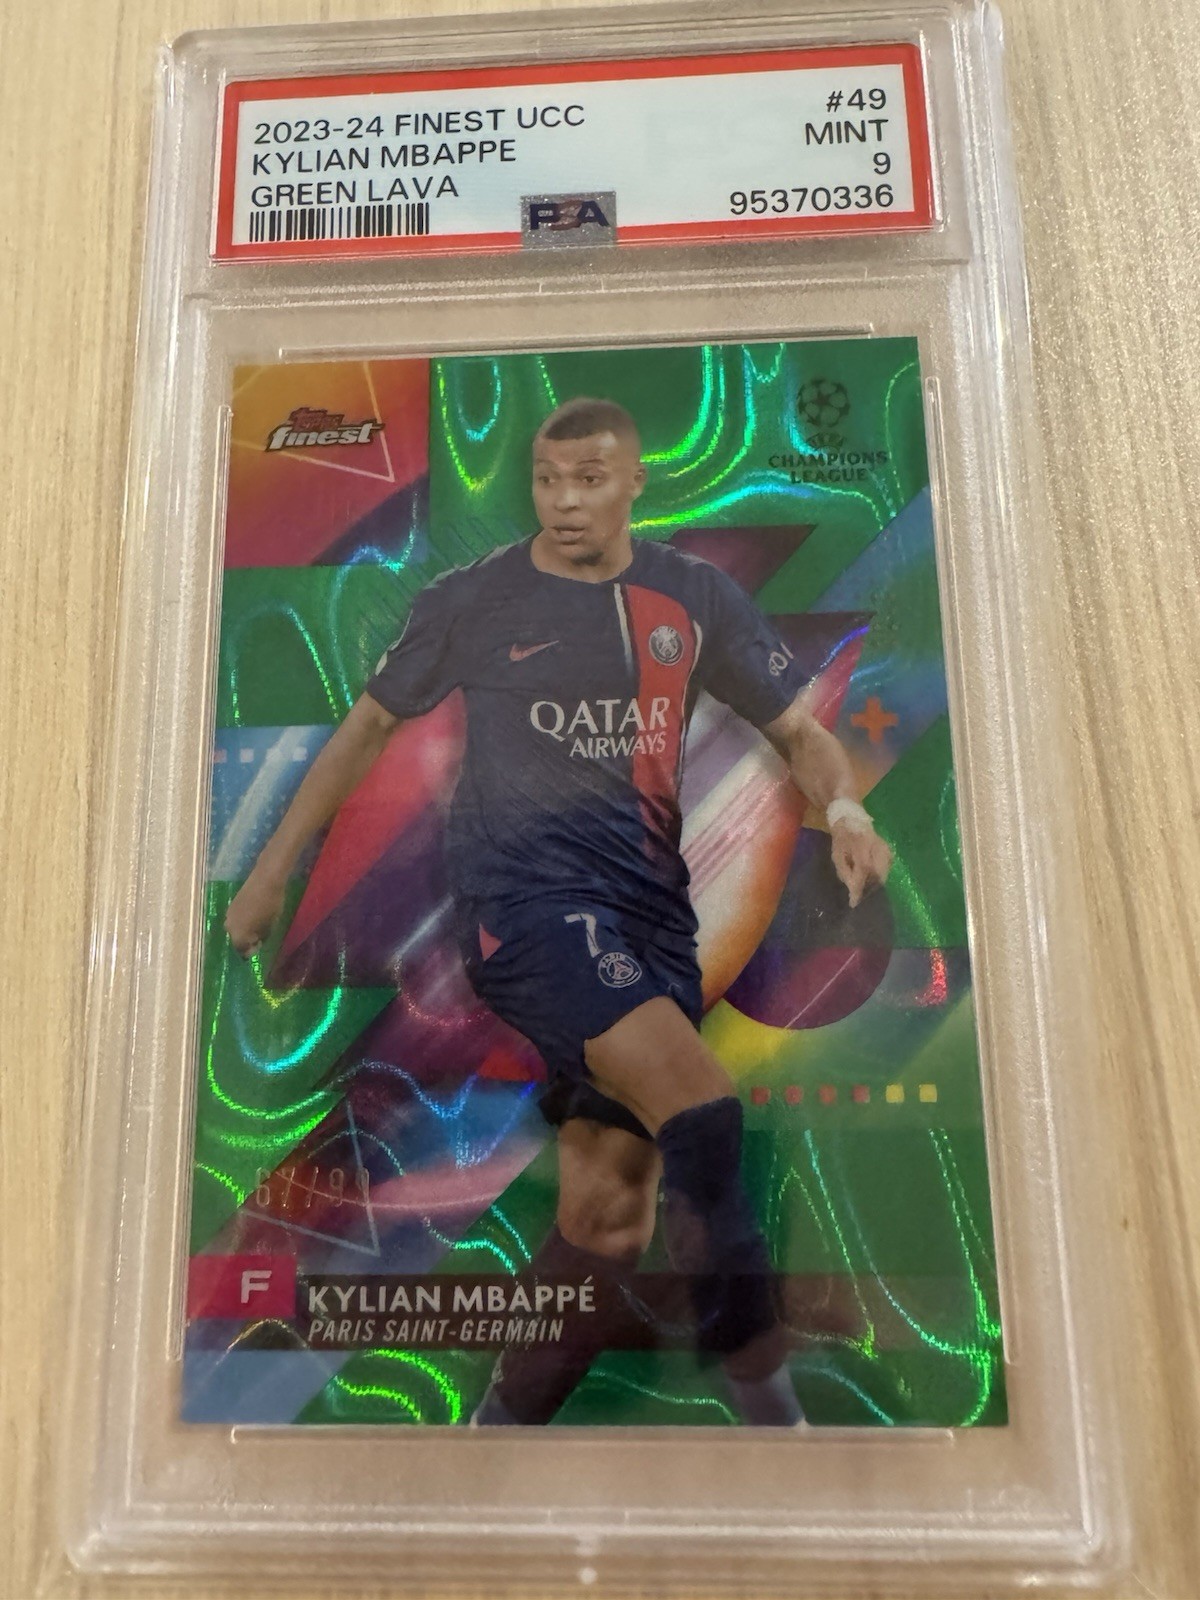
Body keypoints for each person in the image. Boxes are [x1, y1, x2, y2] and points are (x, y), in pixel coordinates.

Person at [226, 395, 892, 1427]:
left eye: (588, 480)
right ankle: (776, 1416)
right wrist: (272, 872)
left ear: (634, 483)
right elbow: (366, 731)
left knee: (605, 1221)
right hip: (526, 913)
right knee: (702, 1109)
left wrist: (844, 809)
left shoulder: (690, 598)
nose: (565, 501)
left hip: (653, 927)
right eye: (547, 481)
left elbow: (800, 731)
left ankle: (495, 1437)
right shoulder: (473, 599)